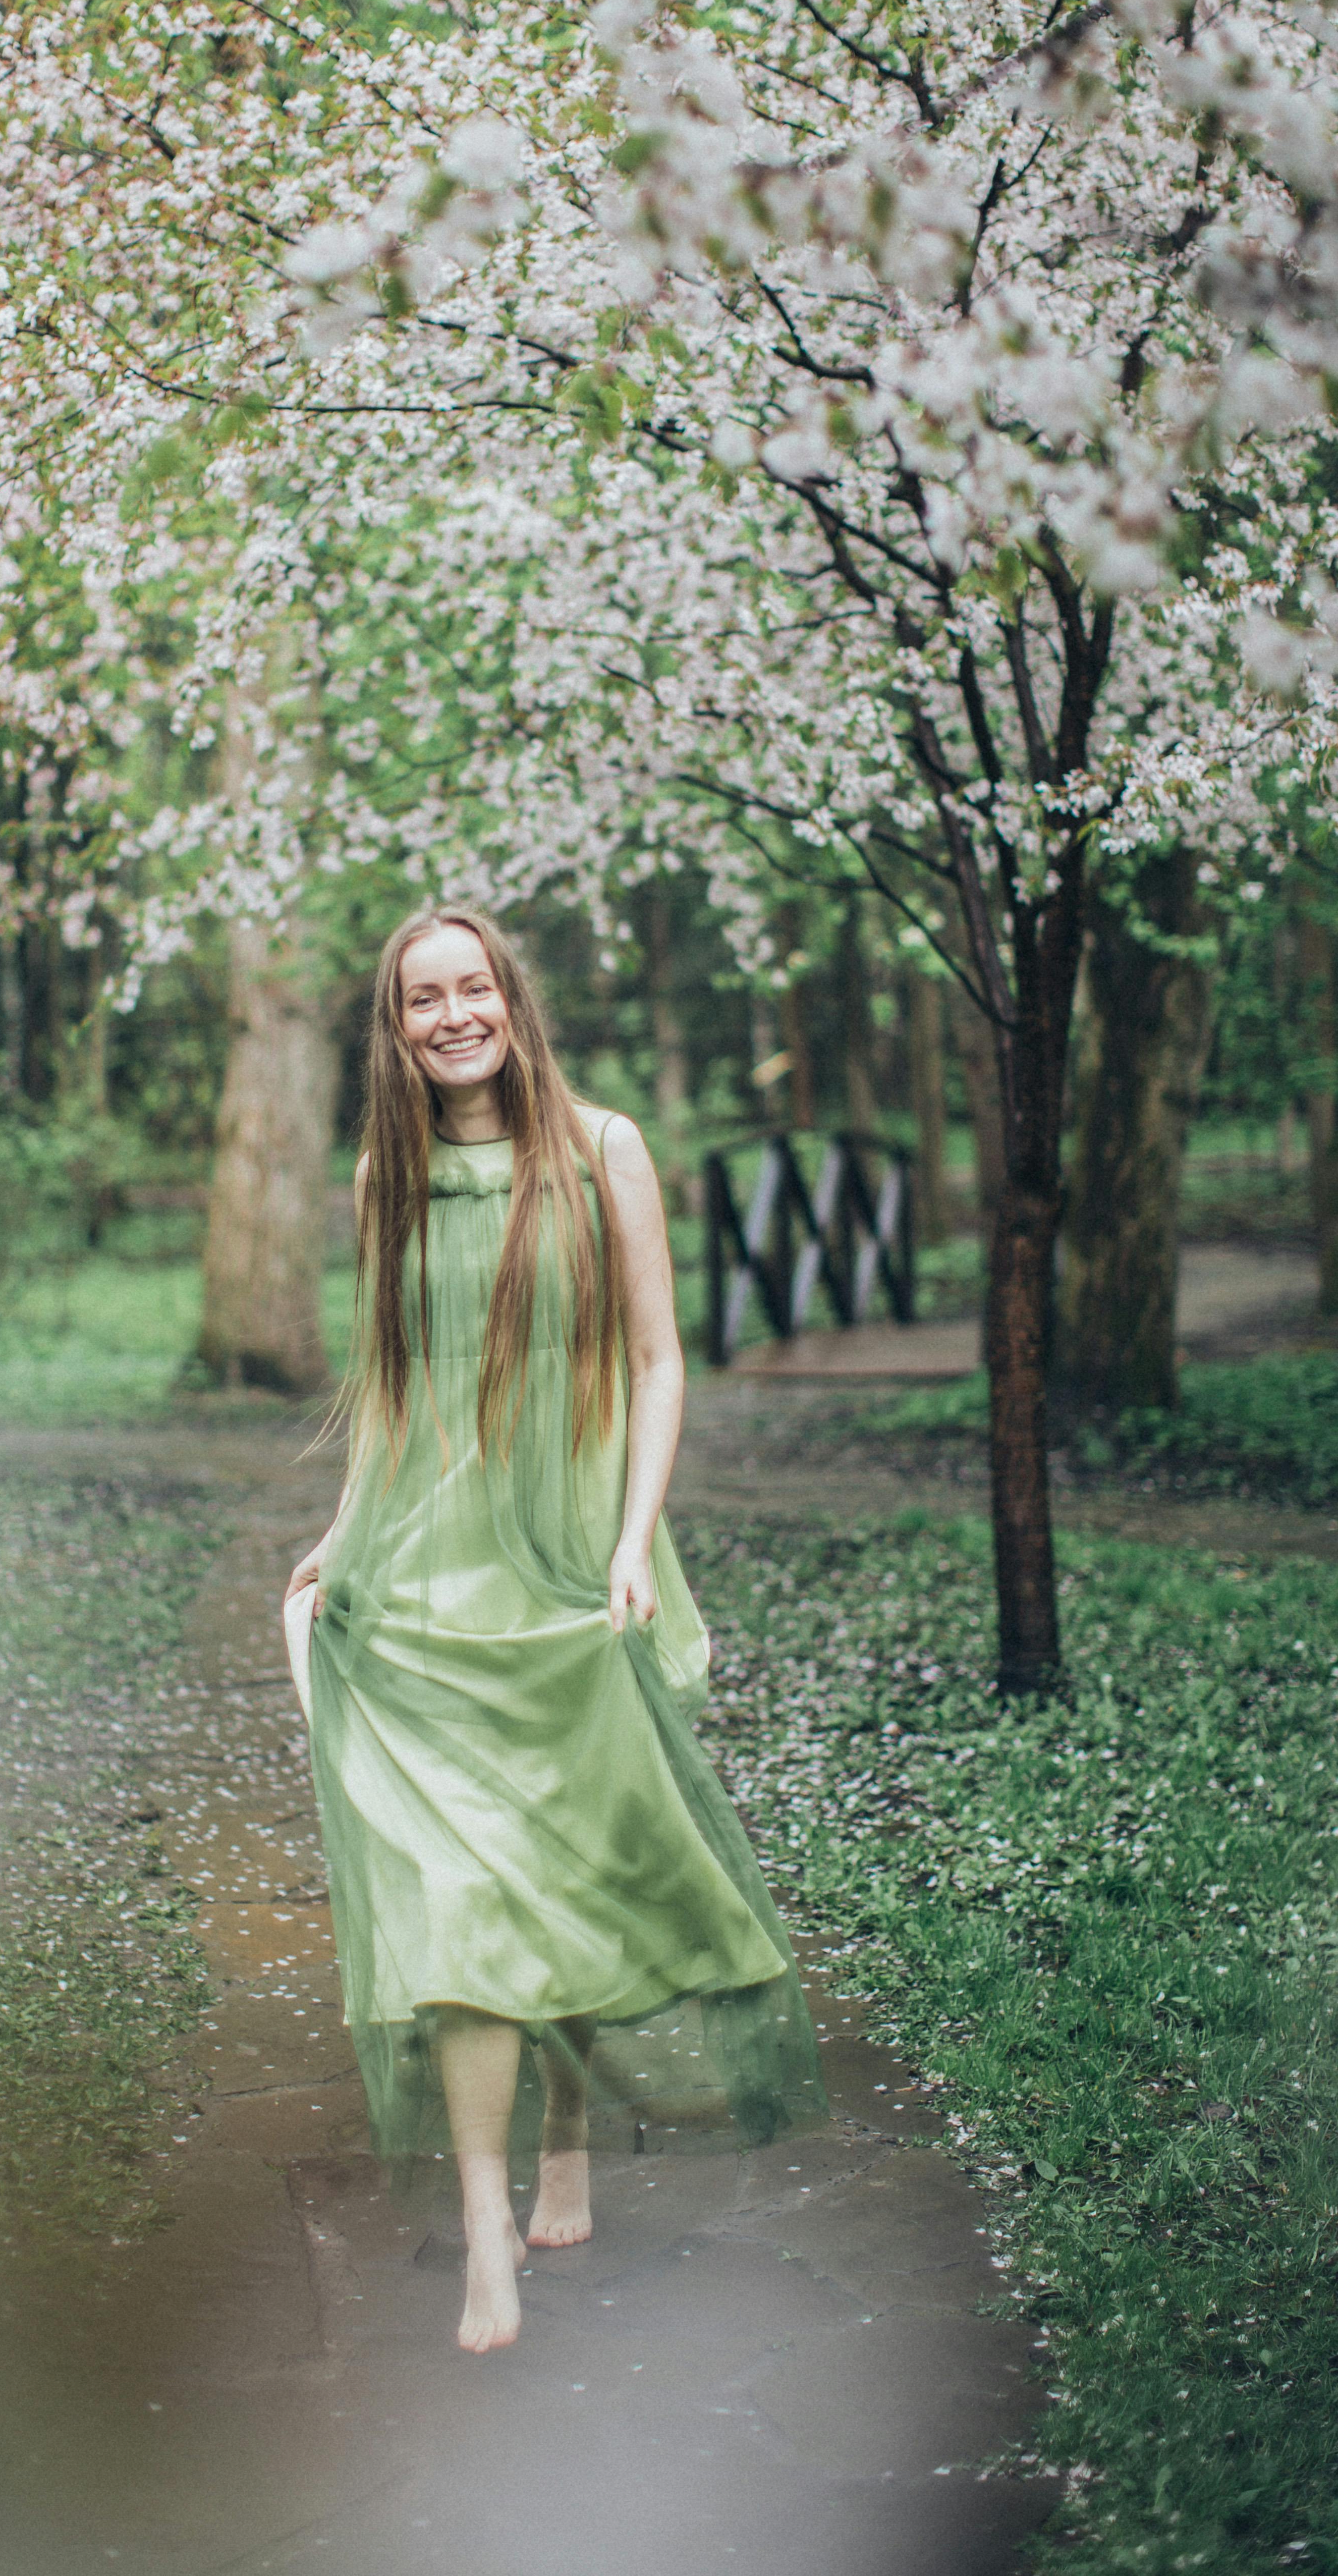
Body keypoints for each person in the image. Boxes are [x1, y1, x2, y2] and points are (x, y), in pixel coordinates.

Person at [283, 909, 822, 2354]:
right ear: (396, 1032)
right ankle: (482, 2234)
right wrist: (345, 1538)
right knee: (465, 1897)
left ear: (512, 1001)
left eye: (473, 989)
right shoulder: (381, 1179)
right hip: (434, 1569)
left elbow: (656, 1361)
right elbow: (391, 1388)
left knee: (569, 1873)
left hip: (582, 1556)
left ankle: (569, 2130)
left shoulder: (605, 1151)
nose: (452, 1016)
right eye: (422, 1001)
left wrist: (635, 1543)